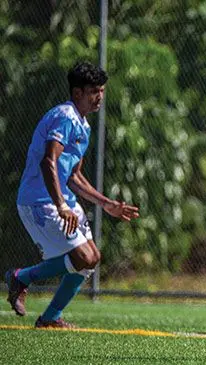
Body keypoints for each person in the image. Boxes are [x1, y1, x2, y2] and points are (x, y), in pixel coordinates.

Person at [6, 61, 140, 328]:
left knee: (92, 260)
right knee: (83, 258)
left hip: (61, 198)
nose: (99, 96)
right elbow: (48, 161)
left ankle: (50, 318)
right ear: (77, 92)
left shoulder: (84, 125)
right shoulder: (65, 116)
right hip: (39, 202)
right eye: (93, 91)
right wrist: (61, 206)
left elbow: (74, 176)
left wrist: (107, 204)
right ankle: (21, 277)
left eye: (101, 90)